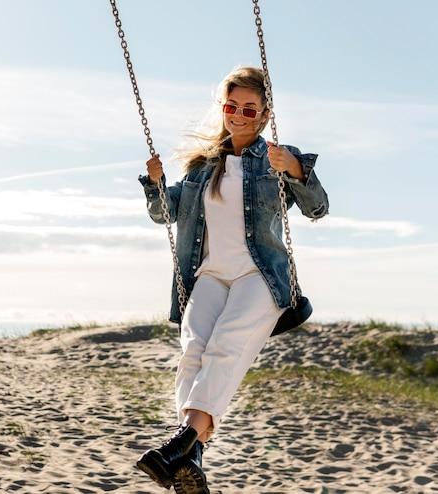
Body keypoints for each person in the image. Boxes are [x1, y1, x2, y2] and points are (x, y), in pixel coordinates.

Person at [135, 66, 329, 494]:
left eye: (248, 109)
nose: (238, 115)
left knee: (225, 346)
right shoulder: (203, 167)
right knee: (193, 352)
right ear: (222, 109)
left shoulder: (276, 158)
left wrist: (295, 169)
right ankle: (191, 454)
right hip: (210, 274)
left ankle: (180, 443)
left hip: (260, 274)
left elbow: (317, 209)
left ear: (263, 115)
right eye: (231, 106)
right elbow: (166, 214)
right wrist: (155, 185)